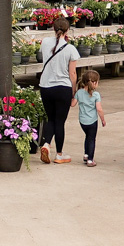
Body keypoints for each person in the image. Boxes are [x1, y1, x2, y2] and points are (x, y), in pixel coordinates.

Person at [37, 16, 79, 165]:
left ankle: (46, 144)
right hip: (63, 88)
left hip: (45, 86)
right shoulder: (71, 49)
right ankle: (59, 154)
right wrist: (73, 92)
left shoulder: (45, 42)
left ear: (53, 28)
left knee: (51, 119)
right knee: (60, 122)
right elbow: (72, 74)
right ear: (67, 31)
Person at [76, 69, 106, 166]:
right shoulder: (96, 94)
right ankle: (90, 160)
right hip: (92, 121)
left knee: (87, 137)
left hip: (82, 121)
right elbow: (99, 109)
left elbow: (72, 104)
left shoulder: (79, 92)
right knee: (92, 139)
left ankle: (86, 154)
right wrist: (103, 119)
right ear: (94, 83)